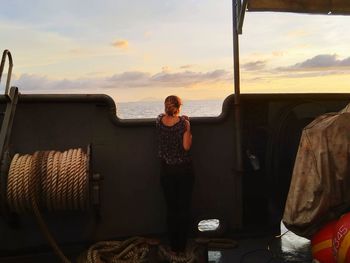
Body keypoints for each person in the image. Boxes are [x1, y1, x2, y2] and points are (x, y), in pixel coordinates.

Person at [156, 95, 194, 254]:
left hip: (166, 171)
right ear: (179, 107)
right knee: (183, 208)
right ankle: (182, 247)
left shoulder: (158, 121)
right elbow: (186, 147)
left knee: (171, 209)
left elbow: (161, 118)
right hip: (183, 171)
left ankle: (173, 246)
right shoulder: (184, 124)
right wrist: (189, 129)